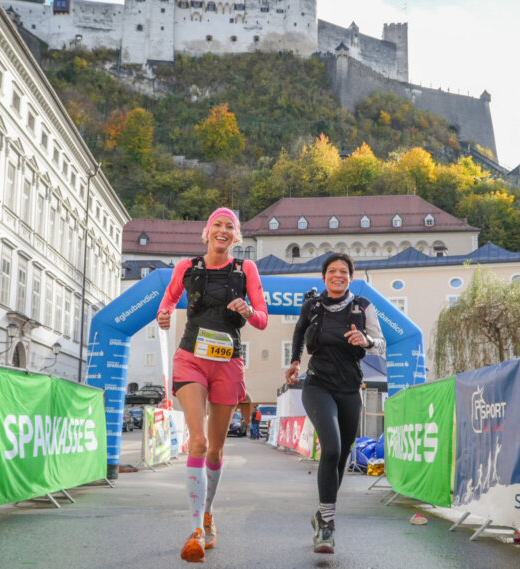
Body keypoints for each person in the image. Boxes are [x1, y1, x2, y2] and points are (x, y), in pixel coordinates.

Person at [156, 207, 268, 563]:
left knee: (216, 450)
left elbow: (263, 319)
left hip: (228, 363)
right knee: (199, 441)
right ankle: (195, 531)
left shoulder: (245, 269)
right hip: (190, 358)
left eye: (229, 227)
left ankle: (208, 511)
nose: (223, 230)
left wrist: (249, 311)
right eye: (217, 225)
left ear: (236, 237)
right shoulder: (187, 268)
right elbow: (169, 300)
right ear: (207, 232)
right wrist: (163, 314)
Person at [284, 252, 385, 554]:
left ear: (351, 277)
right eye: (331, 271)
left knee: (341, 458)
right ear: (324, 276)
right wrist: (293, 361)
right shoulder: (313, 306)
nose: (337, 275)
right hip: (317, 385)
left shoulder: (363, 308)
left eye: (343, 271)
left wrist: (365, 342)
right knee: (331, 448)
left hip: (349, 388)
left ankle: (321, 514)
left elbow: (380, 344)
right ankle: (327, 525)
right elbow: (300, 331)